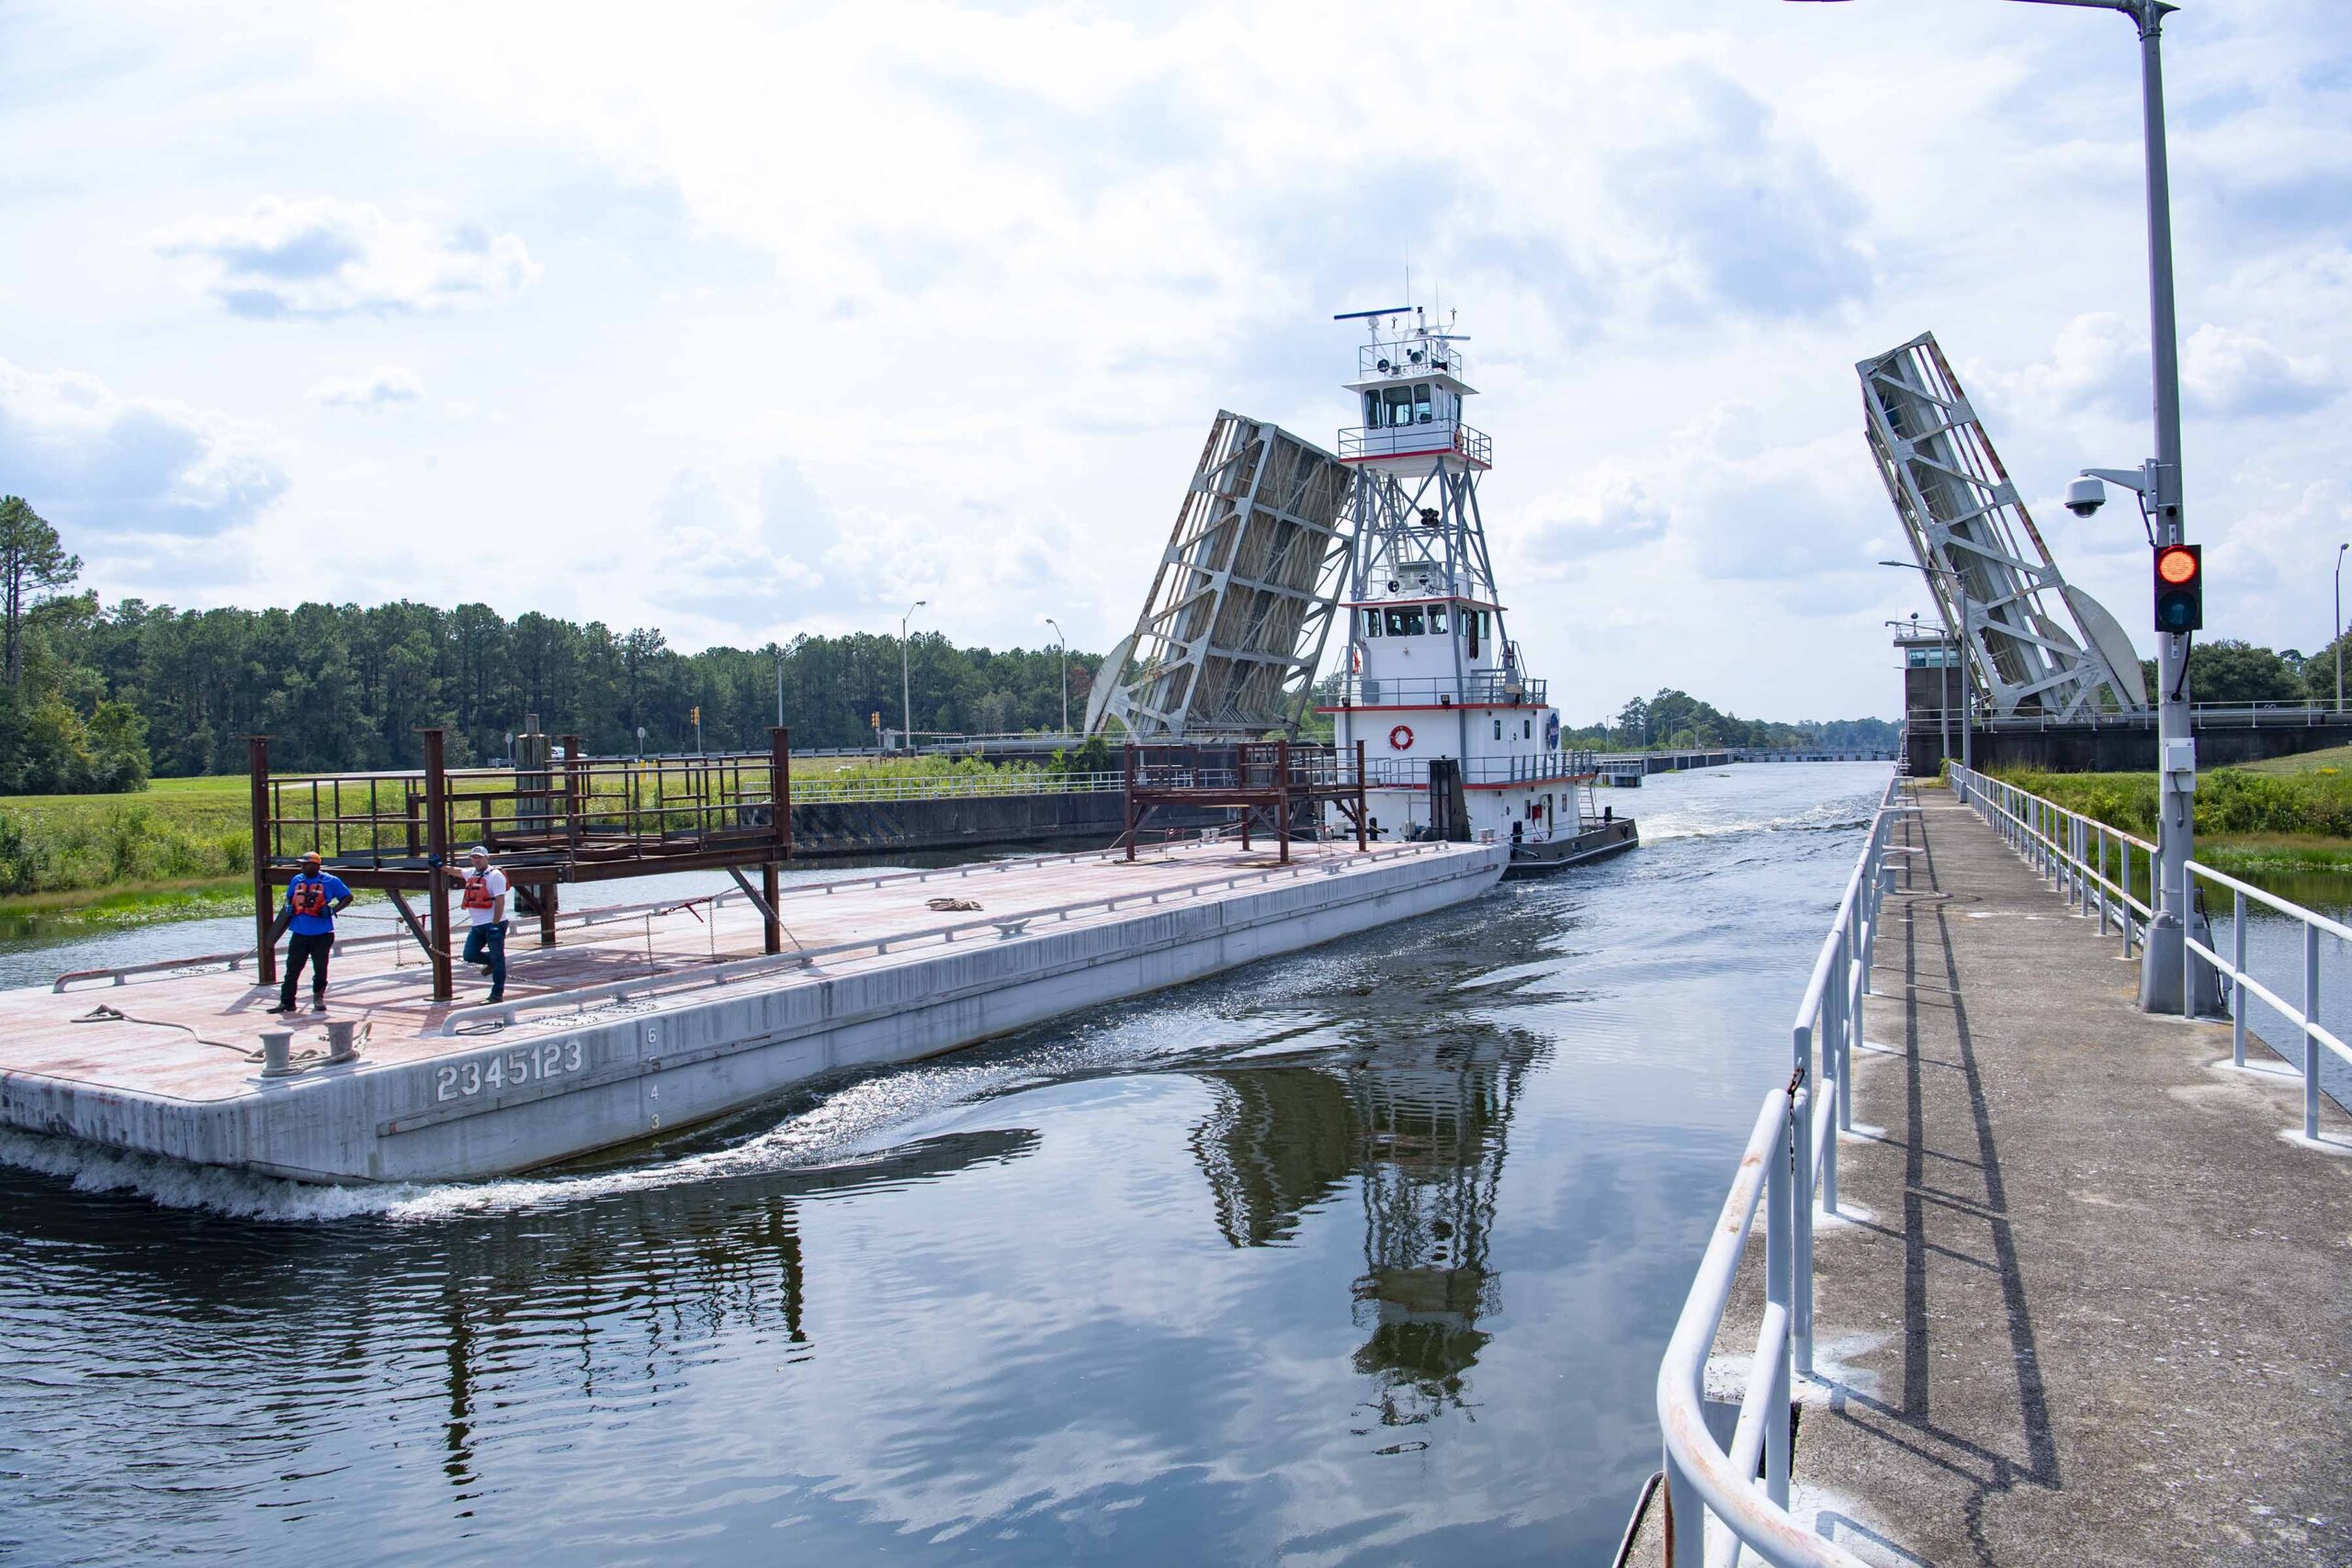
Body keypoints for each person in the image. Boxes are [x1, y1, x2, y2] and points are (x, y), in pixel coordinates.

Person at [269, 851, 352, 1014]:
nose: (302, 867)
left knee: (320, 968)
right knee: (292, 969)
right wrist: (288, 905)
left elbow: (348, 897)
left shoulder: (331, 880)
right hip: (299, 933)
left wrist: (333, 910)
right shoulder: (296, 880)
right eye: (301, 864)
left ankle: (318, 998)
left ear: (315, 865)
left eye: (305, 864)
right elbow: (288, 896)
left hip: (322, 934)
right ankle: (287, 1002)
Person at [447, 845, 509, 1002]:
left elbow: (500, 901)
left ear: (487, 858)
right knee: (469, 954)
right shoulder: (471, 873)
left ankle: (496, 995)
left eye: (480, 857)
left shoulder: (495, 876)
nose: (477, 859)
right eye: (474, 857)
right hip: (477, 925)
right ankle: (492, 962)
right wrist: (440, 866)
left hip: (494, 924)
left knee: (498, 958)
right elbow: (456, 871)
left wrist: (495, 924)